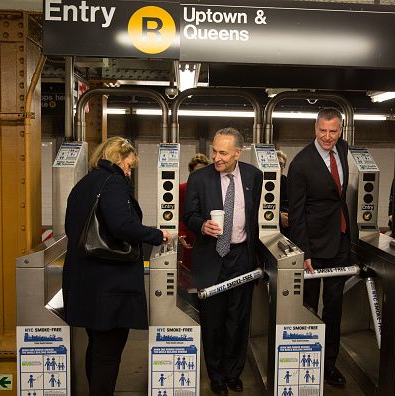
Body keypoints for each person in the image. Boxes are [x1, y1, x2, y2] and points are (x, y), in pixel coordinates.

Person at [62, 136, 172, 395]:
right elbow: (122, 225)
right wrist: (158, 235)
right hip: (109, 285)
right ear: (117, 158)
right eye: (129, 165)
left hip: (86, 281)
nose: (129, 171)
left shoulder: (84, 185)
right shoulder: (113, 183)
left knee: (97, 346)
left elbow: (71, 228)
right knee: (108, 354)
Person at [182, 127, 263, 395]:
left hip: (242, 257)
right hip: (211, 256)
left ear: (238, 153)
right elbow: (189, 214)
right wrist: (202, 225)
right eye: (214, 151)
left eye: (223, 153)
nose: (216, 157)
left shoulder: (254, 176)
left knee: (238, 319)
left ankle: (233, 372)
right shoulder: (199, 179)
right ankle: (215, 374)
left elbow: (256, 220)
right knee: (213, 321)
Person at [287, 108, 350, 386]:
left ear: (340, 131)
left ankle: (329, 364)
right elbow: (297, 213)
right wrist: (304, 252)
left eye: (333, 131)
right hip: (313, 248)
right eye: (322, 131)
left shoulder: (344, 150)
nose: (327, 137)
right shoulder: (300, 163)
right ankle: (306, 362)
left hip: (340, 243)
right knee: (310, 307)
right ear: (315, 128)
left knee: (334, 308)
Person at [178, 153, 209, 271]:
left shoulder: (213, 189)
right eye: (197, 171)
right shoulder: (182, 189)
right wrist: (181, 234)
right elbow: (179, 216)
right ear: (191, 172)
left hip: (209, 238)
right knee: (190, 274)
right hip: (190, 237)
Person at [276, 150, 290, 237]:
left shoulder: (288, 182)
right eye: (276, 164)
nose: (279, 167)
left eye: (281, 164)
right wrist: (279, 215)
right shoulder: (262, 182)